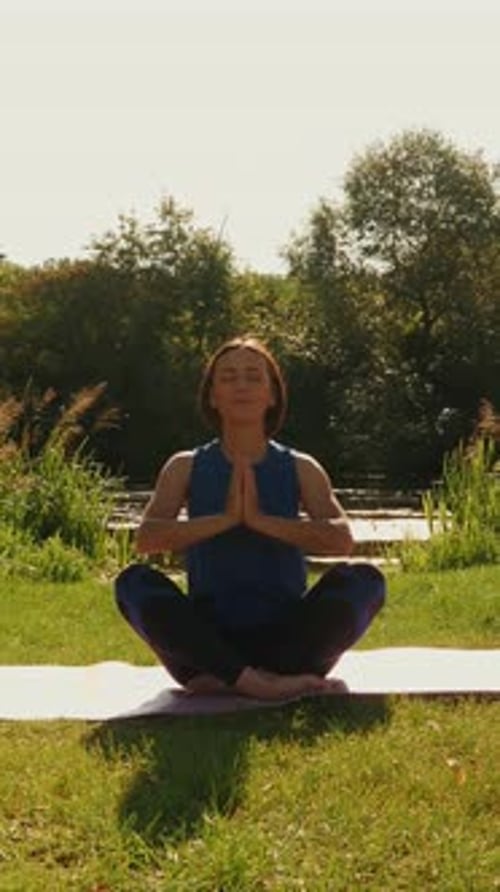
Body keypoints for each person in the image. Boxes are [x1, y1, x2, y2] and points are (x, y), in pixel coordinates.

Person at [115, 336, 385, 700]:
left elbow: (341, 539)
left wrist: (259, 521)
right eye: (228, 377)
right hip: (206, 640)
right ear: (212, 396)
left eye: (253, 376)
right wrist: (226, 519)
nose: (241, 385)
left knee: (366, 580)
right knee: (133, 583)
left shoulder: (301, 468)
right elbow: (147, 539)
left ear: (272, 395)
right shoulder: (185, 466)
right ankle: (253, 681)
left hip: (287, 638)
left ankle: (239, 679)